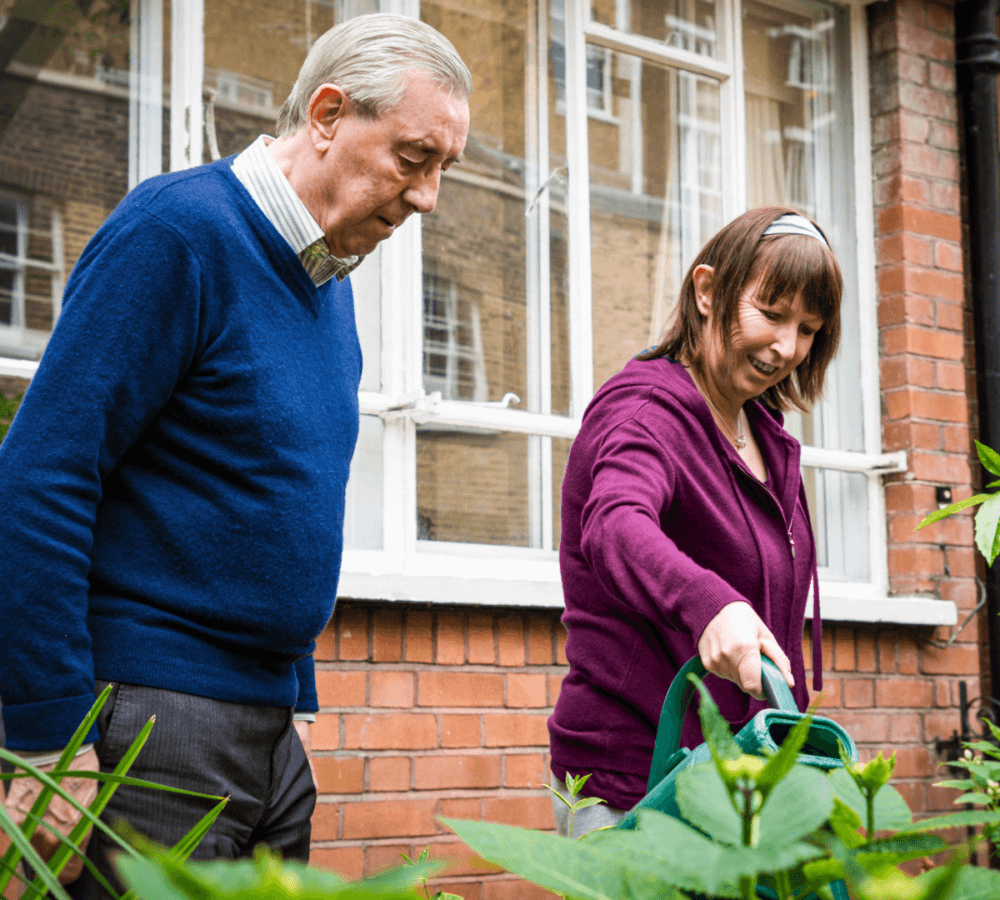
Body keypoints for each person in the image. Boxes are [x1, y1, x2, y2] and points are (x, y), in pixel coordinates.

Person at [0, 12, 470, 897]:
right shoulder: (179, 233)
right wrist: (49, 731)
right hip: (148, 721)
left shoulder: (326, 287)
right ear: (328, 114)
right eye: (413, 158)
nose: (427, 197)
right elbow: (40, 476)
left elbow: (268, 496)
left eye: (444, 169)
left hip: (263, 732)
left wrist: (287, 697)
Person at [547, 207, 842, 836]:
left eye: (808, 329)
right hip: (636, 782)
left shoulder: (763, 435)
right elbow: (616, 523)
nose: (787, 347)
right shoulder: (647, 409)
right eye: (771, 312)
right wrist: (710, 603)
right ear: (707, 291)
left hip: (735, 782)